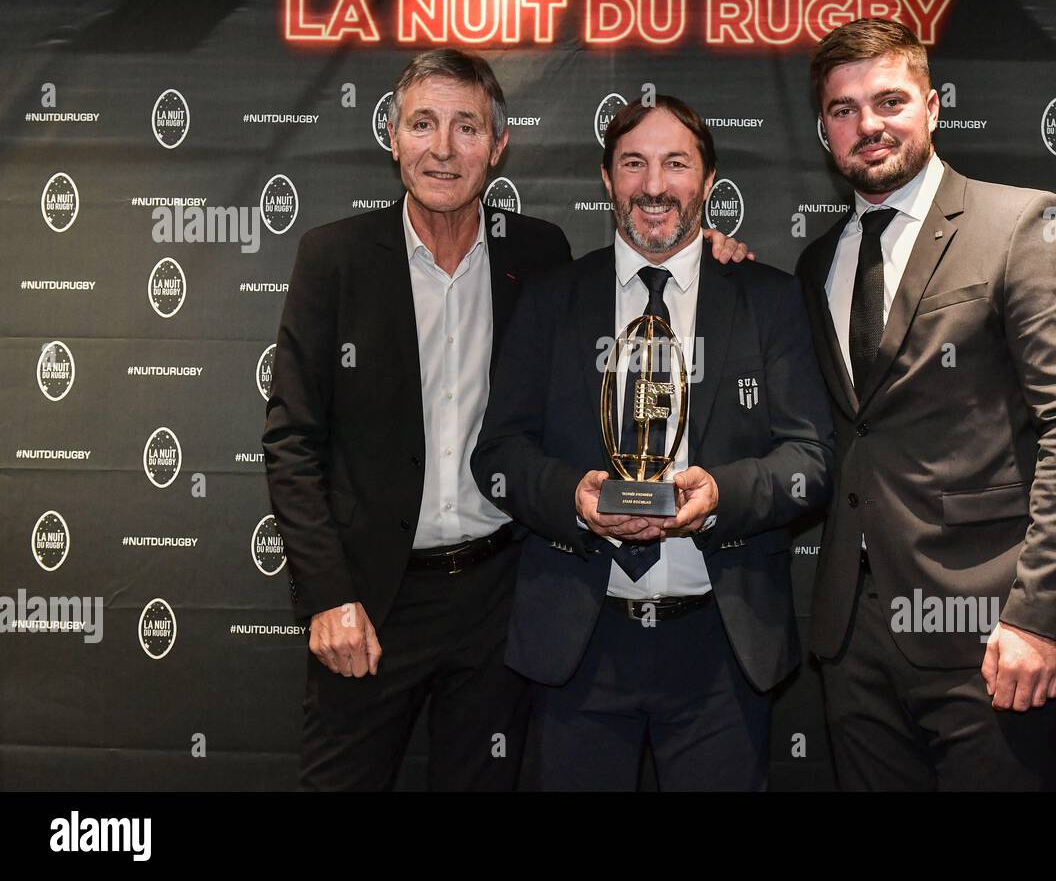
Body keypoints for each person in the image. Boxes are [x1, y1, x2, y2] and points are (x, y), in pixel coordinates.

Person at [263, 50, 751, 791]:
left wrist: (709, 255)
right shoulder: (333, 259)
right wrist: (329, 594)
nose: (443, 148)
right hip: (370, 599)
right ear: (392, 136)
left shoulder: (537, 253)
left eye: (467, 127)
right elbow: (292, 442)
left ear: (497, 147)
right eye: (423, 124)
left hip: (499, 599)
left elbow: (649, 268)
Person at [471, 96, 834, 791]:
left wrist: (721, 494)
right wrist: (573, 499)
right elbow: (499, 453)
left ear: (707, 178)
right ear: (607, 180)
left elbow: (811, 459)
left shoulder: (767, 299)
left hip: (720, 649)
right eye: (634, 163)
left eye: (676, 163)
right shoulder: (551, 300)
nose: (655, 185)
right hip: (579, 644)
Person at [795, 19, 1056, 791]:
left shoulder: (1021, 226)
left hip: (989, 631)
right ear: (823, 130)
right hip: (852, 637)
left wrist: (1037, 617)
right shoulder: (819, 261)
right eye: (844, 109)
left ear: (934, 108)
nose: (868, 124)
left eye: (889, 100)